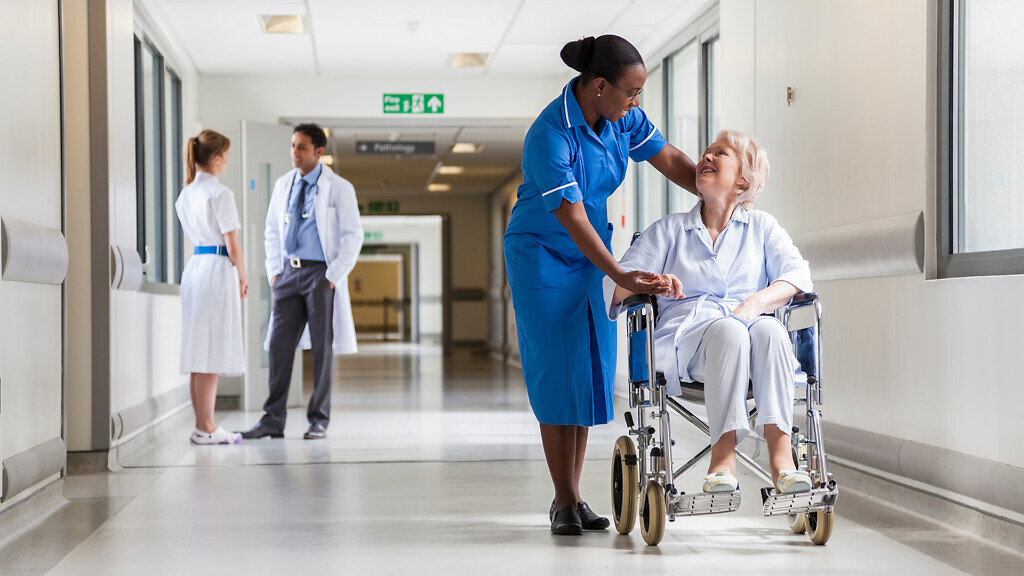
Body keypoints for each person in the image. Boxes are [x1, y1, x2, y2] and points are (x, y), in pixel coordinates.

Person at [503, 35, 700, 535]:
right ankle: (563, 500)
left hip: (593, 252)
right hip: (542, 253)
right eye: (631, 92)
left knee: (587, 368)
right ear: (598, 86)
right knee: (556, 369)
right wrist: (618, 272)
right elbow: (569, 216)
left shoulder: (620, 120)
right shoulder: (550, 133)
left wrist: (715, 186)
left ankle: (574, 498)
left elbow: (668, 157)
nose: (637, 103)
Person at [604, 130, 814, 496]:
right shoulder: (669, 230)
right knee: (730, 331)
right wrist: (649, 283)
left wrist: (753, 305)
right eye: (706, 152)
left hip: (753, 341)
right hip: (690, 346)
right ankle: (723, 458)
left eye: (721, 153)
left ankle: (782, 458)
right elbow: (615, 287)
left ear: (743, 180)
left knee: (770, 331)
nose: (707, 157)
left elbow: (797, 277)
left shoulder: (762, 228)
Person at [240, 123, 363, 441]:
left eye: (302, 147)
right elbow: (271, 230)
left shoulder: (339, 188)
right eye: (293, 146)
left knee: (322, 348)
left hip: (321, 274)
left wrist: (333, 276)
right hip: (288, 274)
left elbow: (353, 236)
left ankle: (318, 419)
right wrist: (274, 273)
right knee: (279, 345)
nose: (294, 152)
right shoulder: (283, 184)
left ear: (319, 152)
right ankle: (272, 419)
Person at [176, 129, 247, 445]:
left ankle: (202, 423)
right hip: (217, 269)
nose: (228, 161)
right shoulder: (220, 194)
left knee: (199, 348)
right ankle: (206, 426)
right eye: (227, 155)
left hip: (196, 268)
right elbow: (233, 245)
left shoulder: (186, 193)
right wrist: (243, 276)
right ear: (216, 158)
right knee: (211, 348)